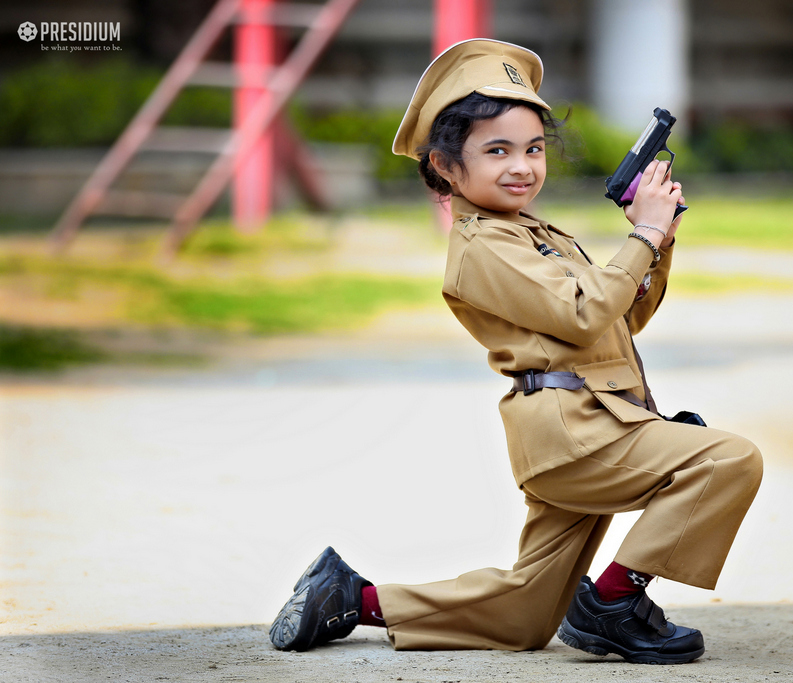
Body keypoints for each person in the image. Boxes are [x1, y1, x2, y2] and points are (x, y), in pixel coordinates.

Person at [269, 39, 763, 665]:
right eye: (496, 151)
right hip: (576, 433)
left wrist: (660, 241)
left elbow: (621, 315)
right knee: (727, 461)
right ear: (446, 168)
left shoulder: (534, 234)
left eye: (532, 149)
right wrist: (642, 232)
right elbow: (585, 313)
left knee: (526, 613)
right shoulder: (483, 247)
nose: (522, 166)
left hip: (589, 425)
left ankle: (350, 598)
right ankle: (614, 600)